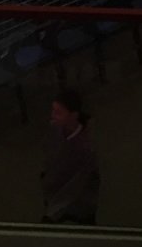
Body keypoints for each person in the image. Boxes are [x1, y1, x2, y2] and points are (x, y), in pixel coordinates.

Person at [41, 89, 99, 224]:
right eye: (53, 111)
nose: (52, 116)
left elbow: (75, 187)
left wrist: (52, 213)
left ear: (73, 115)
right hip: (58, 186)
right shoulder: (56, 128)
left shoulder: (84, 149)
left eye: (58, 112)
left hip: (79, 198)